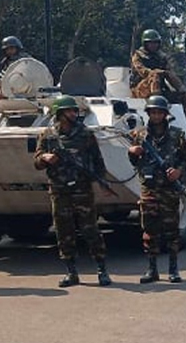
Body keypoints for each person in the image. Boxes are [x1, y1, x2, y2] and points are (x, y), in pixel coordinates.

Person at [33, 95, 112, 288]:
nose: (74, 114)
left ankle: (101, 269)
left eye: (75, 110)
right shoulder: (48, 135)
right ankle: (71, 271)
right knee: (63, 230)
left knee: (90, 229)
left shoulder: (85, 134)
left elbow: (97, 160)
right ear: (60, 114)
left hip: (82, 189)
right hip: (59, 191)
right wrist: (45, 157)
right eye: (69, 111)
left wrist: (102, 182)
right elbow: (36, 162)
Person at [128, 95, 186, 284]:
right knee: (149, 231)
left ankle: (173, 269)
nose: (156, 116)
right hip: (149, 190)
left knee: (172, 231)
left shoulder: (176, 136)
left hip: (169, 189)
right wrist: (132, 153)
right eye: (153, 112)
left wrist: (178, 172)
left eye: (159, 112)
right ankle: (152, 269)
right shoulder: (140, 136)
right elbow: (134, 162)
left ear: (165, 115)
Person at [130, 29, 186, 139]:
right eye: (150, 43)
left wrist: (182, 90)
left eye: (155, 42)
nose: (153, 45)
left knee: (185, 95)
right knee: (155, 74)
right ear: (145, 43)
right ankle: (162, 107)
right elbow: (142, 71)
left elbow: (170, 73)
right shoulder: (138, 55)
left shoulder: (161, 57)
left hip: (159, 89)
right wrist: (156, 72)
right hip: (141, 89)